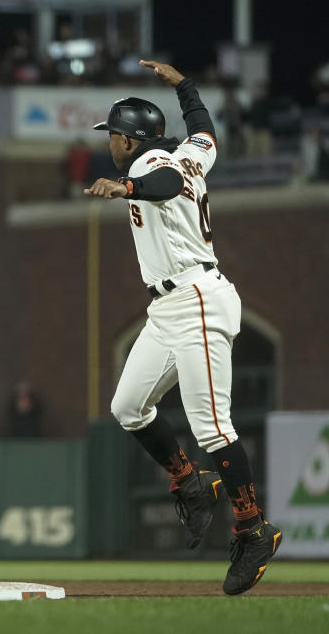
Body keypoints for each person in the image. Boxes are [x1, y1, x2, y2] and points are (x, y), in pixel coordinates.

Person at [85, 60, 281, 596]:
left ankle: (253, 528)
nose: (111, 143)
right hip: (169, 307)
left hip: (197, 298)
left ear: (130, 140)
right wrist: (185, 87)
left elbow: (165, 183)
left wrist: (126, 187)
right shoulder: (188, 153)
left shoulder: (155, 164)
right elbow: (204, 133)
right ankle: (191, 482)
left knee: (212, 427)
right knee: (128, 408)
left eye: (115, 136)